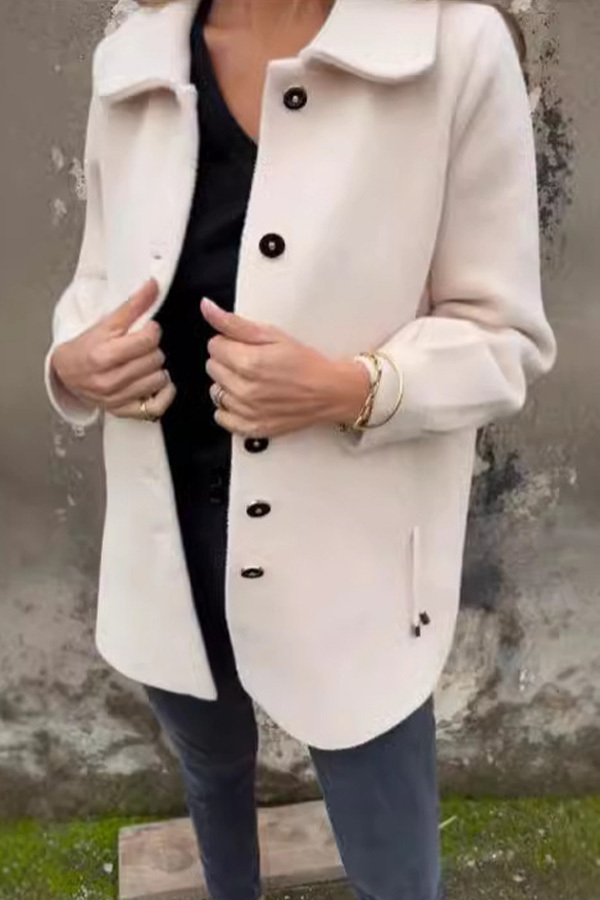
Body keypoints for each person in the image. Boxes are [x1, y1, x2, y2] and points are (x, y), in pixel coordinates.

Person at [44, 1, 556, 898]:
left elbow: (503, 336)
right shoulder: (133, 56)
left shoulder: (452, 48)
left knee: (391, 851)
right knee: (210, 767)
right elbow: (97, 276)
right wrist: (73, 361)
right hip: (169, 538)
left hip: (353, 560)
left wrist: (352, 388)